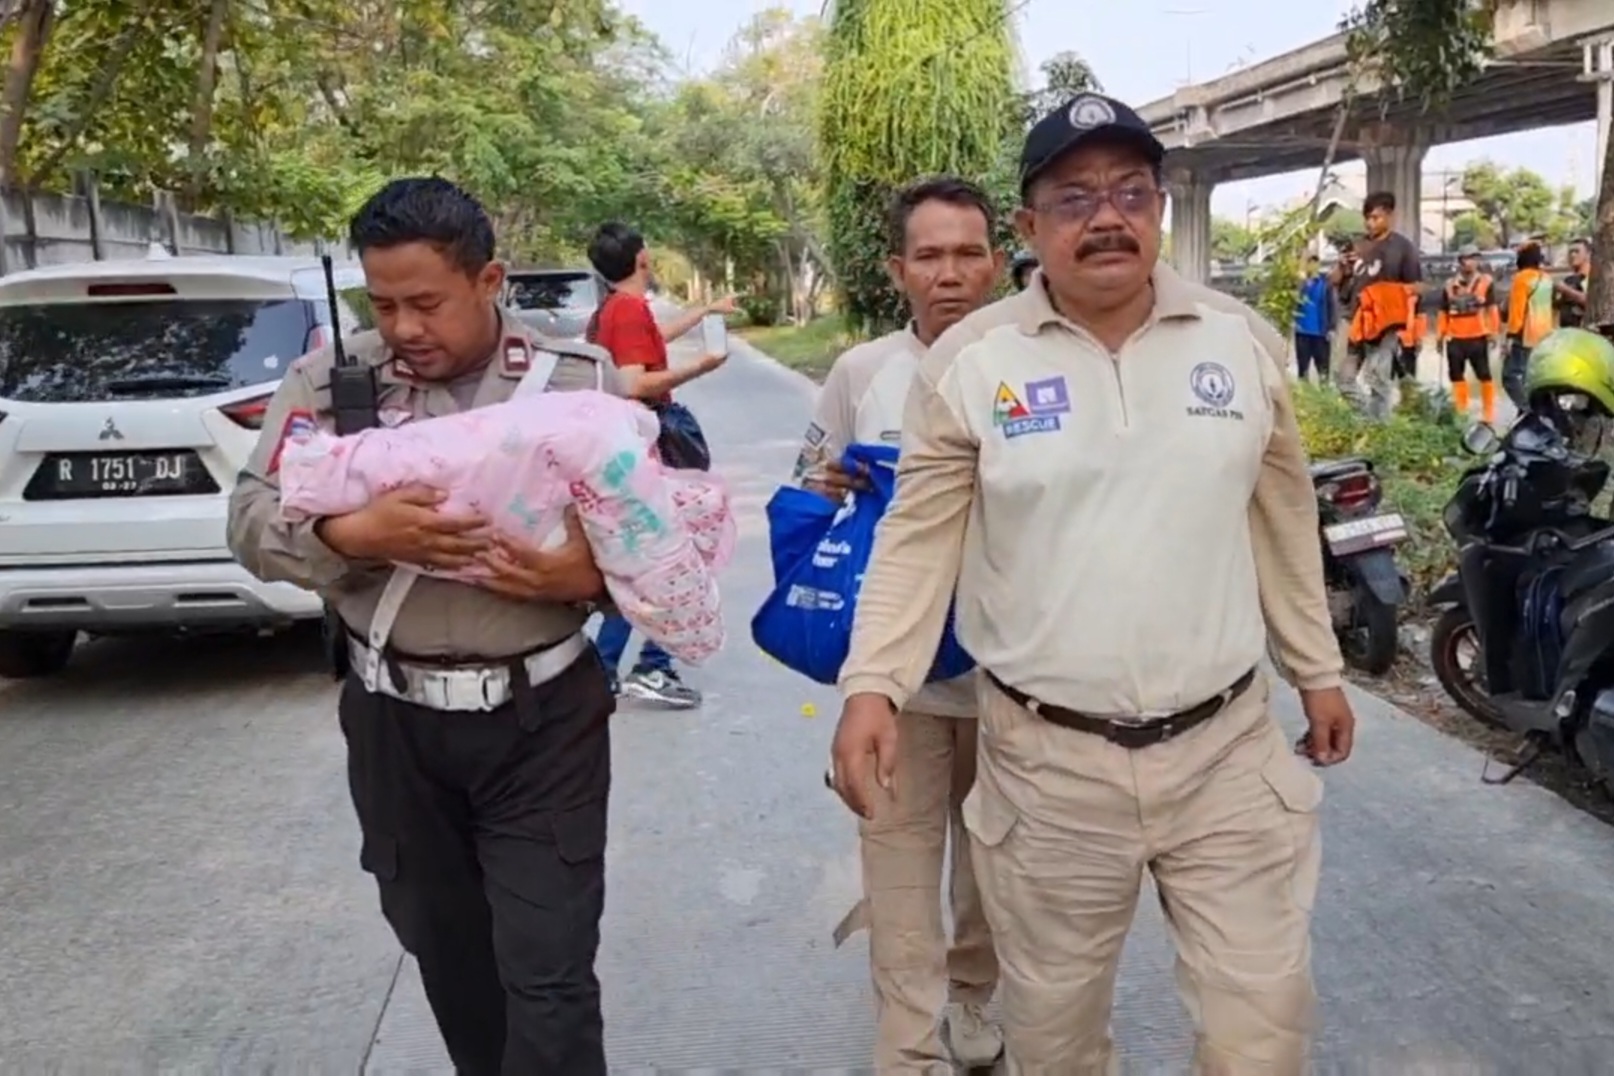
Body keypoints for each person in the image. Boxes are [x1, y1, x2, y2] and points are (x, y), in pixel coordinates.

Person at [827, 92, 1355, 1074]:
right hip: (1047, 767)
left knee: (1265, 1027)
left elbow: (1281, 512)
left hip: (1227, 751)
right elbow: (916, 541)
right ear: (1029, 228)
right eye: (1074, 198)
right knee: (1057, 1040)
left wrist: (1316, 666)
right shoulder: (972, 360)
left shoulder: (1240, 342)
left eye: (1129, 192)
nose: (1106, 217)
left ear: (1158, 208)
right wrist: (873, 684)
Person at [227, 178, 619, 1076]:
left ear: (490, 280)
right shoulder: (330, 386)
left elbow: (654, 534)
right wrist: (347, 535)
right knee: (450, 959)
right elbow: (248, 517)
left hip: (543, 720)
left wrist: (584, 574)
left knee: (549, 976)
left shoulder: (574, 382)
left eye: (427, 303)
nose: (404, 327)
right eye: (385, 303)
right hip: (394, 722)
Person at [796, 176, 1005, 1074]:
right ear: (897, 269)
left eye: (967, 253)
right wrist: (830, 482)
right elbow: (810, 487)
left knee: (995, 876)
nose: (949, 274)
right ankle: (909, 1051)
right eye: (929, 255)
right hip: (901, 682)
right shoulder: (861, 374)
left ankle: (971, 1002)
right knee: (899, 867)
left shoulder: (1034, 363)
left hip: (1014, 682)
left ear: (996, 262)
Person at [584, 221, 734, 707]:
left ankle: (605, 668)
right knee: (670, 556)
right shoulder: (627, 311)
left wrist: (705, 311)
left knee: (643, 557)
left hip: (623, 446)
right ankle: (650, 665)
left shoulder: (618, 309)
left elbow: (651, 339)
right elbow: (632, 382)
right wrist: (703, 367)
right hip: (644, 446)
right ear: (643, 258)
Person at [1347, 190, 1421, 420]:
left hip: (1384, 326)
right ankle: (1367, 419)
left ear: (1390, 216)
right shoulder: (1356, 245)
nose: (1370, 223)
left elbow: (1418, 287)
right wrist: (1342, 267)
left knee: (1378, 380)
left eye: (1376, 217)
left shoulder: (1403, 248)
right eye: (1367, 218)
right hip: (1354, 320)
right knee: (1343, 379)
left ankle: (1378, 430)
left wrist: (1385, 295)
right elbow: (1335, 280)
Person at [1437, 244, 1501, 421]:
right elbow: (1443, 311)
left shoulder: (1486, 282)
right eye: (1466, 258)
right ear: (1460, 261)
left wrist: (1494, 332)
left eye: (1473, 258)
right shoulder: (1449, 285)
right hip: (1455, 337)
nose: (1470, 262)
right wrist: (1439, 335)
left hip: (1477, 336)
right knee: (1456, 375)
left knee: (1484, 374)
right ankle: (1461, 411)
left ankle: (1488, 414)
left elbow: (1492, 308)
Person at [1503, 241, 1556, 408]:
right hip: (1545, 337)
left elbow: (1517, 312)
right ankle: (1542, 411)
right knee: (1537, 378)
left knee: (1511, 376)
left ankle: (1529, 410)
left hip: (1526, 336)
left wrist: (1510, 337)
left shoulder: (1521, 278)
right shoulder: (1546, 278)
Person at [1293, 252, 1336, 383]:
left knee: (1323, 372)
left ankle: (1324, 398)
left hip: (1320, 332)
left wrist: (1331, 328)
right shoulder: (1299, 283)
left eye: (1315, 262)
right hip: (1302, 332)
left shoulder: (1325, 284)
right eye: (1309, 262)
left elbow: (1332, 306)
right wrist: (1302, 280)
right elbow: (1293, 301)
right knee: (1303, 371)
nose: (1312, 265)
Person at [1556, 237, 1592, 330]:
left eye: (1577, 251)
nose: (1572, 255)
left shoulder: (1593, 278)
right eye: (1570, 252)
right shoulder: (1568, 280)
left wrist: (1566, 290)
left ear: (1588, 254)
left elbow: (1591, 301)